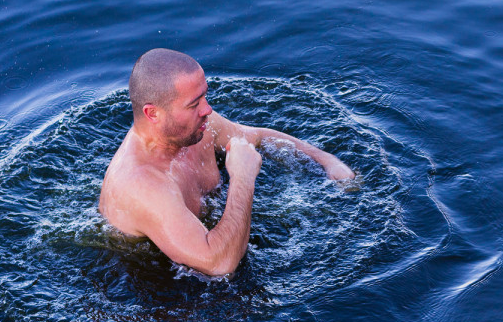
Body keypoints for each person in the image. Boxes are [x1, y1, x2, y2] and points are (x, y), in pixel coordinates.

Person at [98, 49, 355, 276]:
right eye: (194, 104)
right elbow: (219, 265)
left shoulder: (193, 128)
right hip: (164, 292)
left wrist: (328, 161)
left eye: (204, 97)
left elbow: (256, 137)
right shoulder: (141, 184)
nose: (207, 109)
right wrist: (242, 177)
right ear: (153, 113)